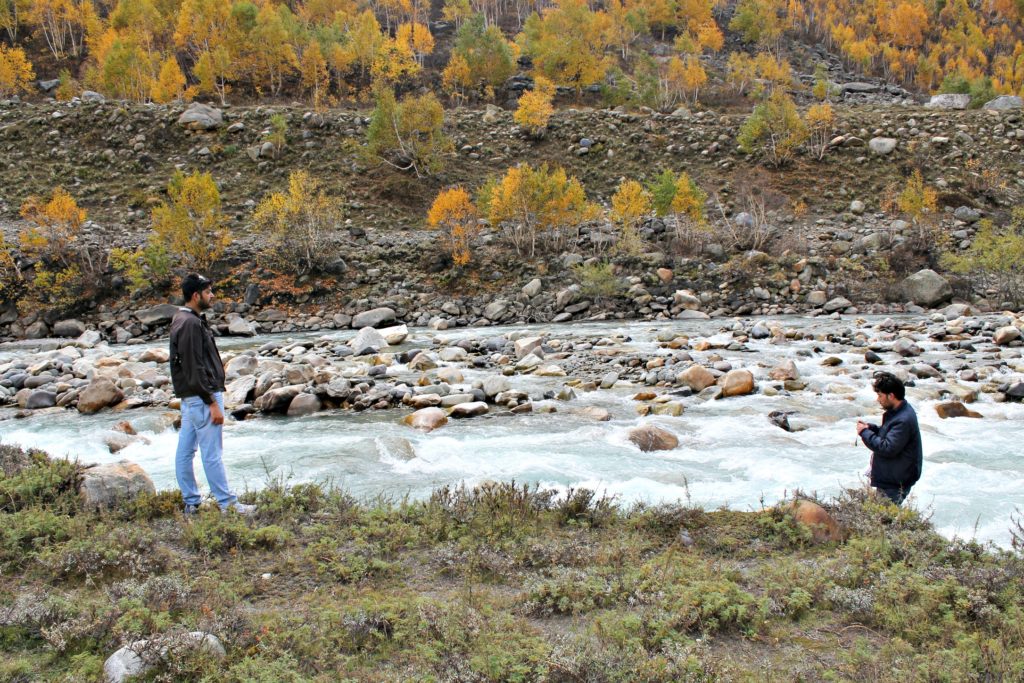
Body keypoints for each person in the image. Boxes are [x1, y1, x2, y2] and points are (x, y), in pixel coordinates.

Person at [169, 274, 255, 515]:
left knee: (186, 451)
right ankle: (228, 505)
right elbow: (193, 366)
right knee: (212, 453)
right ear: (196, 296)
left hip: (191, 398)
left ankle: (191, 502)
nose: (212, 295)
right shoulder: (190, 324)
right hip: (202, 397)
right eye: (208, 292)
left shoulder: (183, 319)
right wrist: (211, 403)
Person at [856, 371, 923, 505]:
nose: (878, 399)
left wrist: (864, 433)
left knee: (884, 521)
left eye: (880, 395)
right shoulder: (900, 412)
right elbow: (890, 435)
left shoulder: (903, 419)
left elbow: (888, 448)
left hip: (895, 481)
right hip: (894, 476)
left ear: (891, 396)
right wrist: (872, 428)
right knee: (882, 517)